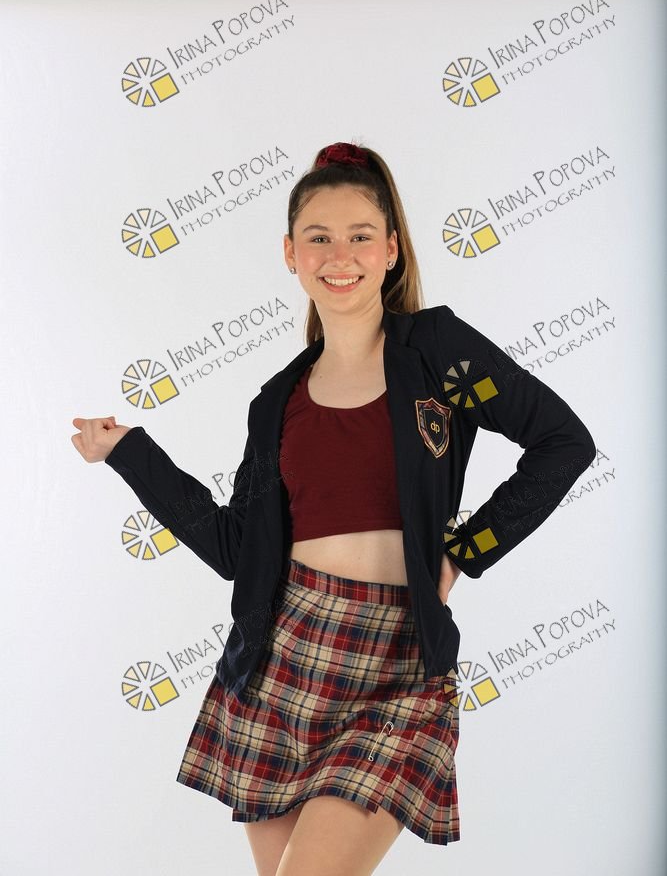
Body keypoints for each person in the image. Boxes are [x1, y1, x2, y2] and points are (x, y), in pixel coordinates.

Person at [71, 141, 596, 876]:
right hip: (283, 656)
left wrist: (464, 553)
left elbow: (562, 443)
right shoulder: (276, 402)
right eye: (317, 237)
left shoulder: (439, 357)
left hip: (399, 660)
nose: (338, 256)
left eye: (359, 236)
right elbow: (235, 548)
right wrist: (130, 453)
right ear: (290, 253)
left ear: (390, 250)